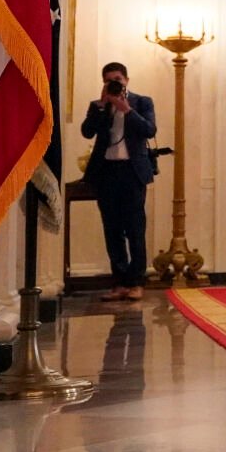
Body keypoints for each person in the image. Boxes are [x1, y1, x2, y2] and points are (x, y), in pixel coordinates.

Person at [80, 62, 157, 301]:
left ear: (126, 80)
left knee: (135, 229)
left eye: (117, 79)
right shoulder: (98, 105)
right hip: (106, 172)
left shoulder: (142, 102)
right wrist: (103, 105)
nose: (113, 83)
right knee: (112, 229)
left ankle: (136, 282)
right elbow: (87, 131)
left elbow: (149, 130)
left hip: (132, 173)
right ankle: (120, 282)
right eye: (108, 80)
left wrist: (127, 110)